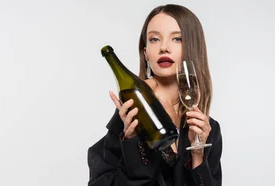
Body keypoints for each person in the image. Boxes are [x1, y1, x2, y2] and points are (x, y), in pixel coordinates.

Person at [87, 4, 223, 186]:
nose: (164, 48)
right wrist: (132, 142)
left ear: (193, 48)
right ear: (145, 54)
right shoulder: (132, 112)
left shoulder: (208, 128)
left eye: (177, 38)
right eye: (154, 39)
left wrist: (198, 153)